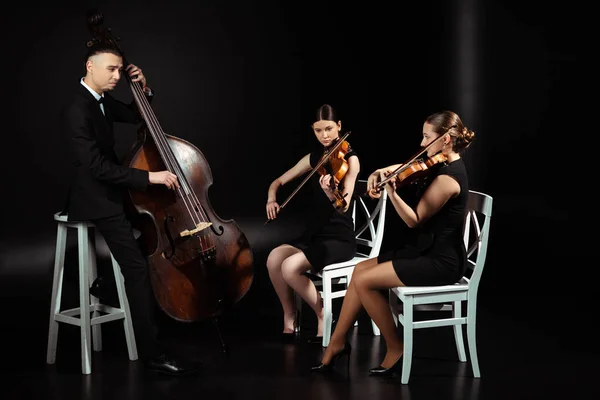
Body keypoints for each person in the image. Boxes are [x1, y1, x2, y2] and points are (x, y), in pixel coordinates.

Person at [60, 42, 200, 376]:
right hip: (96, 197)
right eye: (110, 69)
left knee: (150, 240)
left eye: (120, 70)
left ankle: (106, 282)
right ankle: (152, 354)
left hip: (114, 191)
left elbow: (138, 116)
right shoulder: (77, 109)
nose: (117, 75)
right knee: (137, 268)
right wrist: (149, 177)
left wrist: (144, 88)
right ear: (89, 66)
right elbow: (95, 167)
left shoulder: (101, 101)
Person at [311, 110, 475, 374]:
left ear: (445, 139)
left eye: (426, 137)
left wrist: (391, 192)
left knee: (365, 280)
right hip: (424, 249)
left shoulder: (449, 178)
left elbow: (414, 220)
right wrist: (382, 171)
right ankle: (336, 344)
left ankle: (395, 346)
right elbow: (410, 167)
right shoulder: (440, 163)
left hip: (440, 260)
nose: (422, 144)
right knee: (359, 270)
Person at [265, 104, 360, 344]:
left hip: (338, 240)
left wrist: (331, 194)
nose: (324, 136)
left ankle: (323, 313)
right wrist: (271, 198)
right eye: (318, 131)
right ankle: (290, 315)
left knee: (289, 268)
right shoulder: (314, 158)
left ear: (339, 126)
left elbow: (344, 205)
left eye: (329, 129)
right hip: (315, 236)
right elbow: (277, 181)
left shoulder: (351, 160)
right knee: (274, 259)